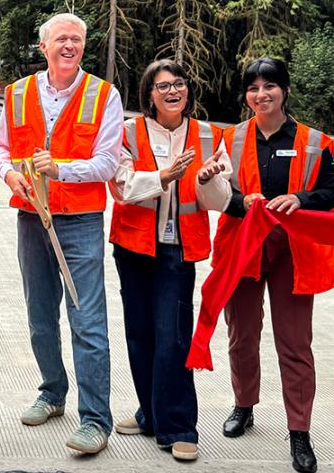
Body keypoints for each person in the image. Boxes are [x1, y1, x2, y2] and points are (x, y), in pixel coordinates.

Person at [0, 13, 123, 454]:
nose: (70, 46)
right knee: (40, 316)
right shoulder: (18, 92)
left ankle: (95, 420)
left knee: (87, 318)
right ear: (43, 45)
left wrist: (61, 169)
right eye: (62, 39)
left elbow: (107, 162)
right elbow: (0, 149)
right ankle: (52, 391)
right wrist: (10, 176)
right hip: (31, 216)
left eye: (78, 40)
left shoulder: (103, 94)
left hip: (80, 220)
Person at [108, 60, 231, 462]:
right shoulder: (128, 131)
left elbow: (220, 201)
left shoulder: (209, 135)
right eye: (163, 86)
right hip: (133, 246)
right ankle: (150, 413)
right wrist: (162, 177)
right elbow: (121, 186)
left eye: (179, 84)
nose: (173, 91)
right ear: (149, 95)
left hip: (178, 250)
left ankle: (178, 426)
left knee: (173, 338)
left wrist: (205, 179)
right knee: (140, 334)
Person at [215, 58, 334, 473]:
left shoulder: (317, 142)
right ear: (246, 95)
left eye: (270, 86)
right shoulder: (230, 140)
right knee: (241, 334)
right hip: (244, 247)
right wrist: (239, 200)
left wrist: (301, 198)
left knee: (295, 342)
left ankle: (299, 430)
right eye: (253, 88)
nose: (261, 94)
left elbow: (332, 191)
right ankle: (244, 405)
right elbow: (218, 195)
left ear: (285, 89)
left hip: (293, 251)